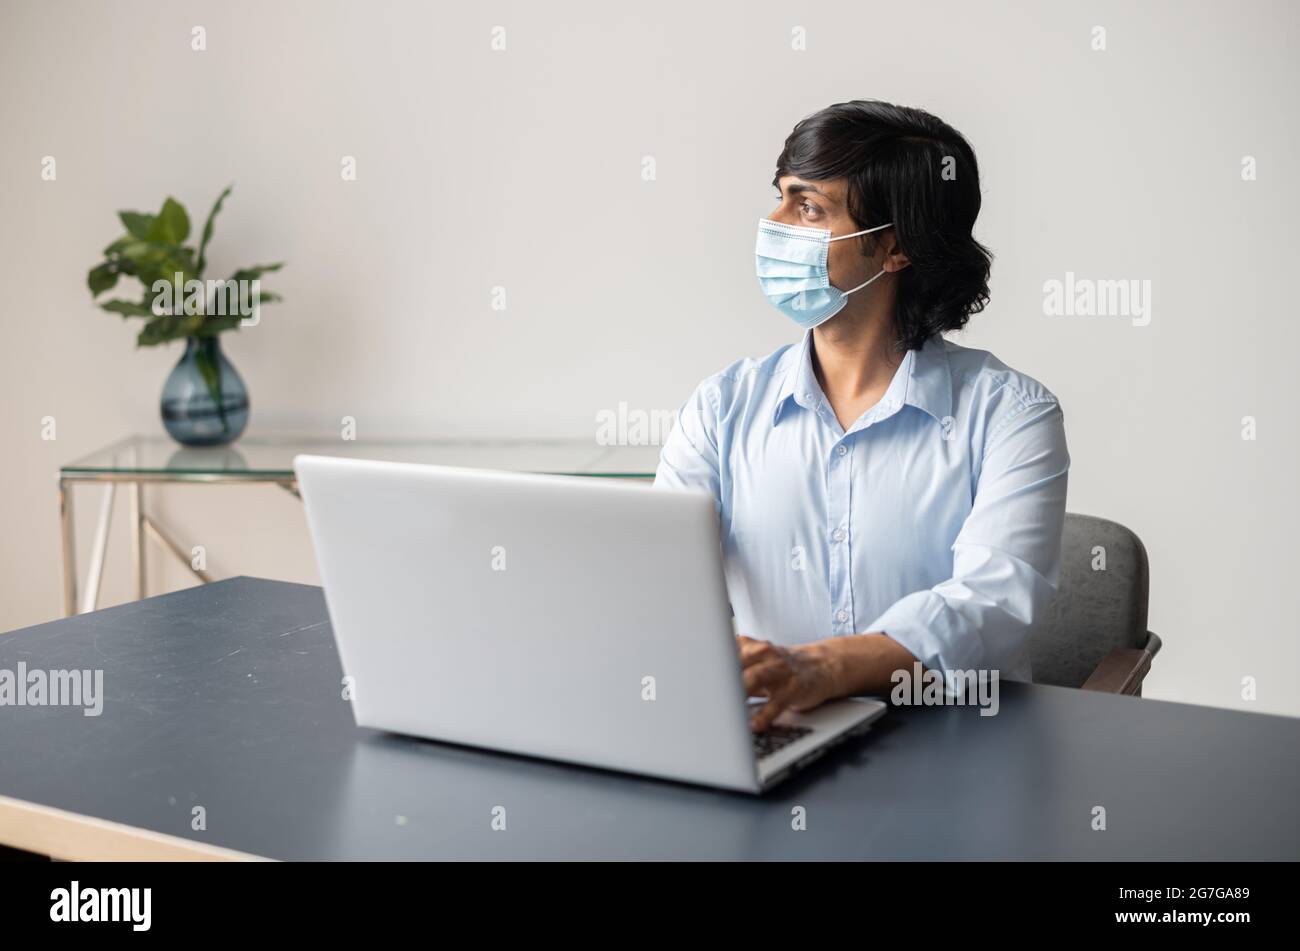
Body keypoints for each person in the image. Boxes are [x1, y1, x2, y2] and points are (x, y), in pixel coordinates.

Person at [654, 100, 1069, 732]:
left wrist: (822, 667)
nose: (774, 224)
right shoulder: (721, 410)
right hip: (776, 736)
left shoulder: (1012, 415)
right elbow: (661, 589)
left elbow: (992, 604)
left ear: (894, 246)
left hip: (962, 749)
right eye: (780, 198)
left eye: (809, 207)